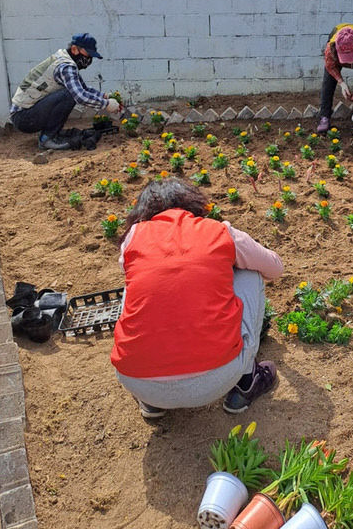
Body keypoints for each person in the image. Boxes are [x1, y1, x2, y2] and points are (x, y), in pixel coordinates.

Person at [111, 178, 284, 419]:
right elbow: (275, 268)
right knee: (251, 272)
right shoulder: (219, 232)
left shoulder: (134, 237)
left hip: (137, 381)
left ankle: (152, 403)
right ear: (194, 204)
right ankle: (246, 380)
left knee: (135, 284)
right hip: (217, 379)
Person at [9, 33, 122, 150]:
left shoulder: (64, 60)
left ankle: (53, 133)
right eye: (87, 54)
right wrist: (106, 104)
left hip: (26, 114)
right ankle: (46, 139)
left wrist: (105, 96)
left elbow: (83, 88)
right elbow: (80, 96)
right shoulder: (66, 67)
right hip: (24, 118)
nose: (89, 60)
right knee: (69, 94)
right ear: (74, 49)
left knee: (69, 92)